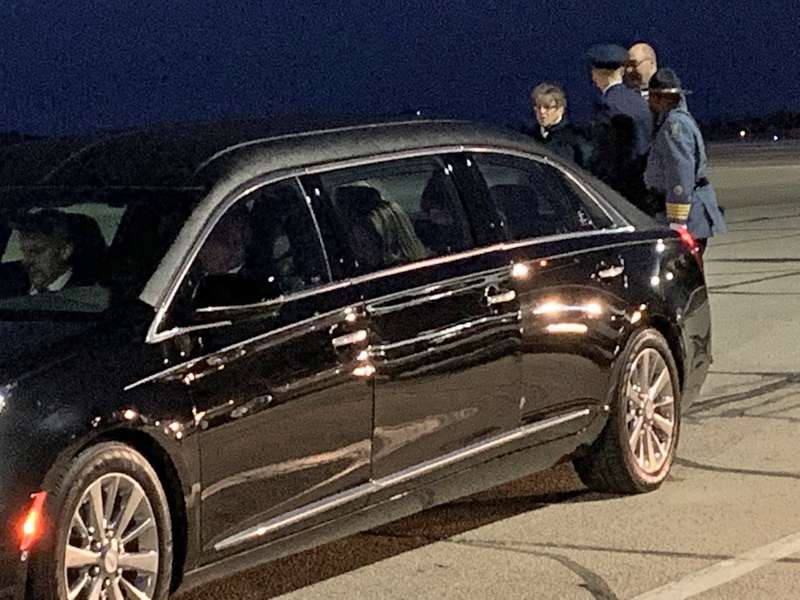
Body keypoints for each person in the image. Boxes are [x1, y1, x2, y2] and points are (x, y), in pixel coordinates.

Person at [644, 68, 727, 255]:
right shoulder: (675, 121)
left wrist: (677, 221)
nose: (649, 102)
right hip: (690, 212)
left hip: (687, 216)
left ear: (663, 99)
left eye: (652, 97)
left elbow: (680, 173)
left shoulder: (675, 126)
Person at [586, 44, 653, 213]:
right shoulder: (639, 101)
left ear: (596, 74)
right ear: (621, 71)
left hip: (621, 194)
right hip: (645, 189)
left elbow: (605, 157)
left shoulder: (607, 106)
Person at [13, 209, 99, 295]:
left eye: (36, 252)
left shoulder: (87, 293)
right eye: (24, 252)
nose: (26, 261)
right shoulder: (13, 289)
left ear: (64, 251)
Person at [521, 82, 591, 168]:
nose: (542, 112)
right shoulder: (528, 136)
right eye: (538, 107)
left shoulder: (576, 138)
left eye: (547, 107)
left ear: (560, 109)